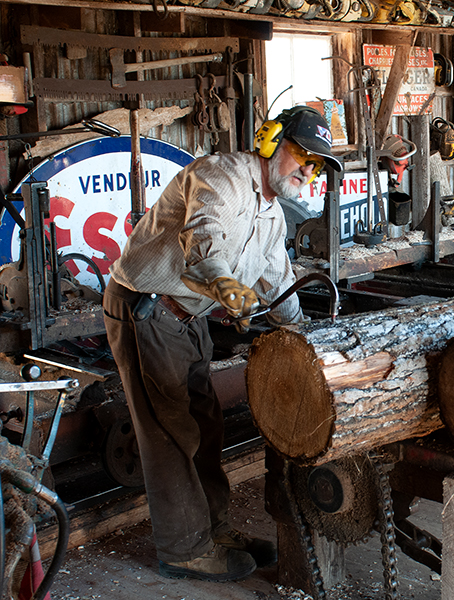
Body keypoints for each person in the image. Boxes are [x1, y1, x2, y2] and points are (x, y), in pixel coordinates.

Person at [102, 106, 343, 582]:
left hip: (187, 315)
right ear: (272, 142)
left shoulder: (272, 214)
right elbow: (204, 236)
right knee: (170, 430)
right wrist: (224, 283)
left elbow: (277, 282)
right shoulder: (224, 177)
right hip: (146, 307)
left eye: (316, 165)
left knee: (206, 424)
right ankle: (184, 549)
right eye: (303, 155)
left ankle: (213, 531)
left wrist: (305, 337)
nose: (308, 171)